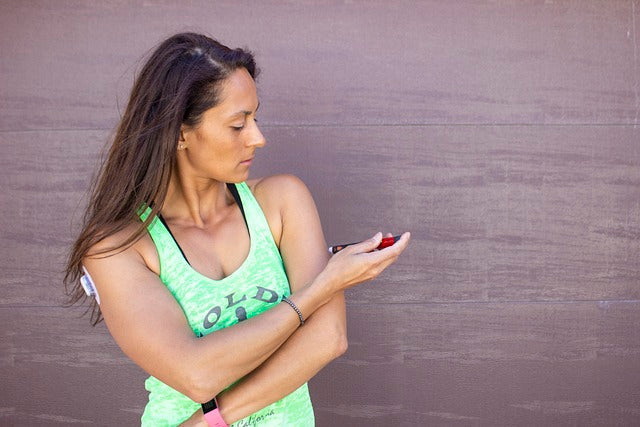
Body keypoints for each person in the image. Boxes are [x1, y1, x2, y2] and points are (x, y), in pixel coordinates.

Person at [64, 32, 410, 426]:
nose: (258, 138)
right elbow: (196, 374)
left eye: (255, 118)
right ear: (179, 132)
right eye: (238, 125)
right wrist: (321, 288)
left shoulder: (282, 202)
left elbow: (328, 339)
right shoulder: (119, 247)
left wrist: (208, 421)